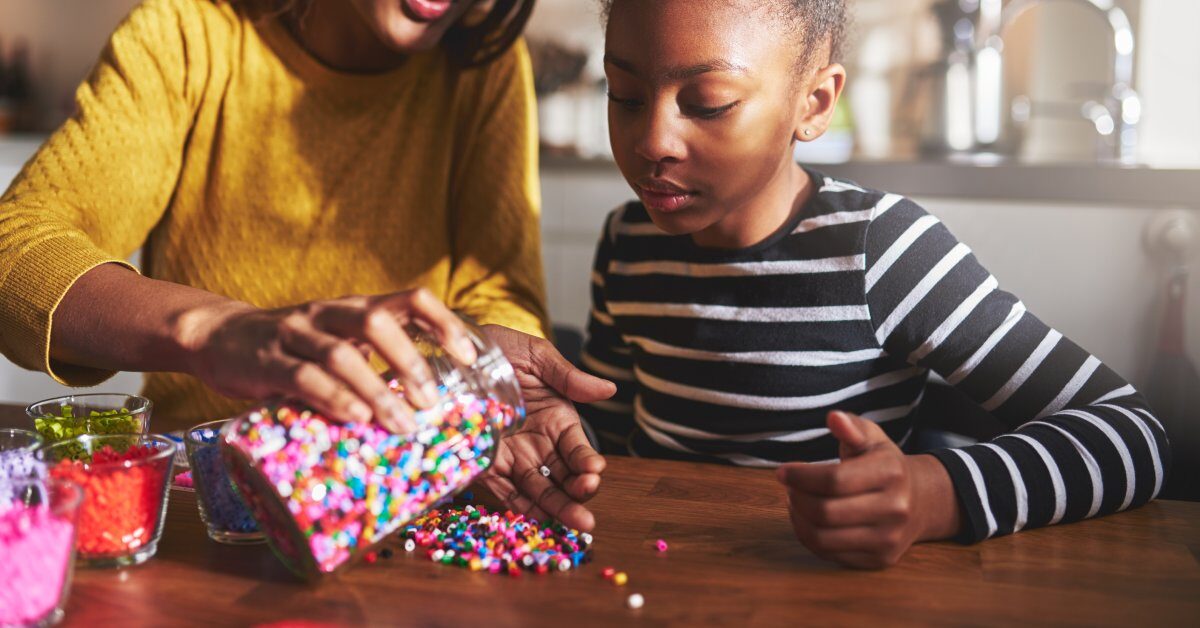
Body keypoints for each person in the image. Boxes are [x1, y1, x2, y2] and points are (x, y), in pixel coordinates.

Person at [578, 0, 1171, 567]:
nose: (652, 141)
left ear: (812, 104)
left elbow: (1131, 434)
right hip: (653, 575)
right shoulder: (627, 241)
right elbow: (609, 439)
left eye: (708, 104)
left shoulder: (882, 249)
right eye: (624, 95)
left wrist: (934, 494)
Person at [0, 0, 613, 531]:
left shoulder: (482, 68)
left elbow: (499, 287)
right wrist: (211, 331)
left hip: (387, 502)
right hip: (206, 505)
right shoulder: (190, 35)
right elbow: (16, 250)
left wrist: (482, 374)